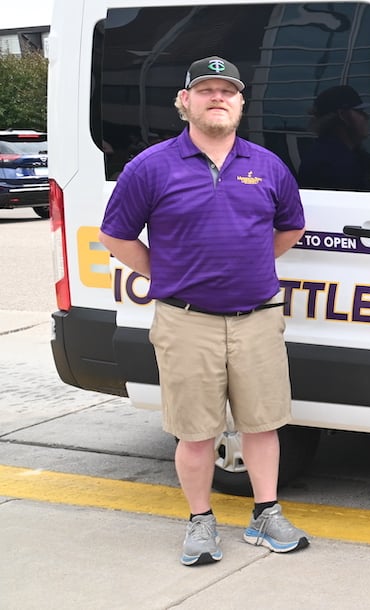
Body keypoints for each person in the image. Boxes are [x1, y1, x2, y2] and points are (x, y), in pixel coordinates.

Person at [97, 55, 310, 567]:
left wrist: (252, 263)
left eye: (228, 91)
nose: (218, 98)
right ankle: (200, 522)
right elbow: (115, 234)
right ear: (185, 101)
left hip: (257, 318)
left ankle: (265, 514)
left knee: (262, 426)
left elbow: (290, 228)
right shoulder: (150, 167)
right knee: (195, 433)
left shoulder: (267, 165)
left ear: (241, 103)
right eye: (206, 90)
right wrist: (165, 273)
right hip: (186, 321)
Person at [299, 84, 370, 191]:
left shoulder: (348, 154)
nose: (367, 116)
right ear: (343, 115)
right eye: (360, 111)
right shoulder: (331, 166)